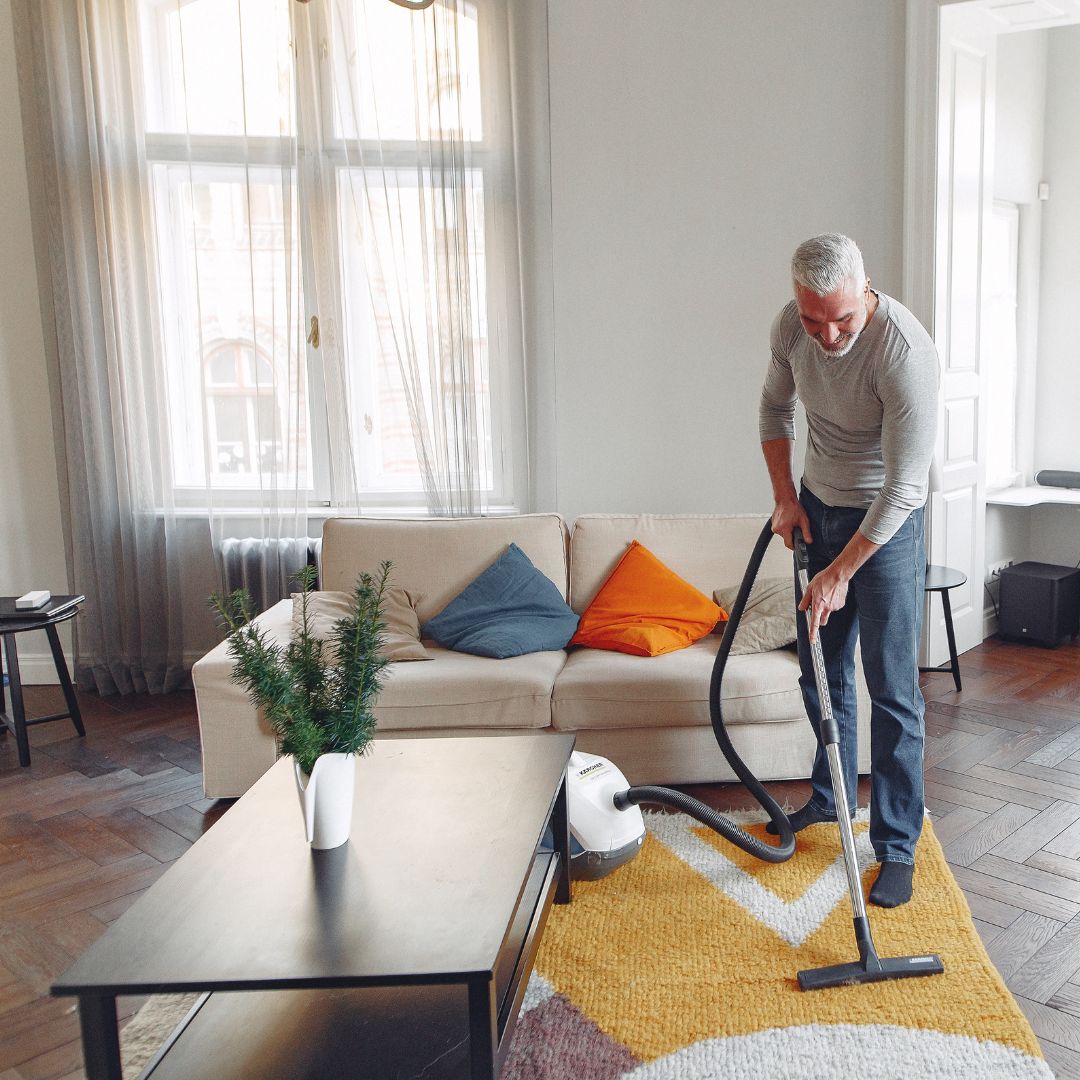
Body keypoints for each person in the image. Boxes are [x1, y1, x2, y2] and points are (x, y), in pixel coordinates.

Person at [759, 233, 939, 908]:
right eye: (813, 320)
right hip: (817, 506)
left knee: (892, 689)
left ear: (865, 290)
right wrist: (784, 497)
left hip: (887, 528)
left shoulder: (904, 352)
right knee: (820, 669)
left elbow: (903, 488)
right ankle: (831, 799)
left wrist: (838, 572)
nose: (827, 335)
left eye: (841, 320)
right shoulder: (791, 325)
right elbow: (774, 410)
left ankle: (895, 846)